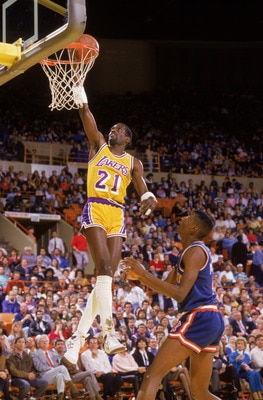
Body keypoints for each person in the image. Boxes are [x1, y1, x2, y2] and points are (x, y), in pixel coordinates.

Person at [64, 87, 157, 364]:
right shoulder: (99, 145)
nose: (113, 130)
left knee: (107, 277)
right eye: (112, 128)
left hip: (118, 213)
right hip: (96, 207)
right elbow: (85, 114)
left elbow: (142, 188)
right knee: (103, 270)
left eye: (119, 129)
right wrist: (80, 90)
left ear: (127, 139)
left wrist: (148, 197)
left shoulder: (133, 162)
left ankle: (76, 340)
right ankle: (108, 333)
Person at [120, 210, 225, 400]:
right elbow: (165, 287)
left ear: (193, 228)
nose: (181, 218)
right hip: (211, 317)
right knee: (200, 392)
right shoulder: (189, 252)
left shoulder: (195, 251)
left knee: (152, 375)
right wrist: (140, 277)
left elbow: (179, 293)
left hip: (200, 316)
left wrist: (144, 274)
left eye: (187, 218)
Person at [31, 334, 79, 400]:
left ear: (49, 343)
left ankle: (60, 396)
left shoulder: (52, 353)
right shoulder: (35, 354)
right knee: (61, 368)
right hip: (43, 376)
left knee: (60, 375)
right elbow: (39, 367)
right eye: (43, 341)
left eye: (46, 341)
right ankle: (73, 387)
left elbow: (57, 366)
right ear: (38, 344)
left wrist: (55, 370)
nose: (45, 342)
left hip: (53, 376)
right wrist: (52, 369)